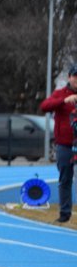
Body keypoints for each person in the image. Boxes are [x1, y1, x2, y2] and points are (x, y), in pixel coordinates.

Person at [40, 64, 77, 223]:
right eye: (75, 76)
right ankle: (64, 213)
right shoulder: (60, 94)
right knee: (65, 179)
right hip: (65, 144)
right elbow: (45, 106)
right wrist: (64, 101)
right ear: (70, 77)